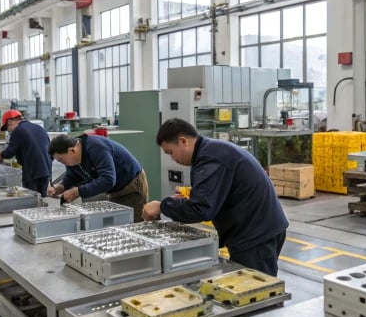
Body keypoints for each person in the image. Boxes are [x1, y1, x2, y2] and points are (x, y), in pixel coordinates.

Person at [142, 118, 289, 276]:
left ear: (183, 141)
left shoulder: (210, 159)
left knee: (256, 288)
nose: (173, 159)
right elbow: (222, 189)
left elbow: (201, 209)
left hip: (255, 234)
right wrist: (191, 194)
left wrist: (162, 206)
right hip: (261, 227)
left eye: (170, 152)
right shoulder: (211, 150)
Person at [48, 134, 148, 222]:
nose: (62, 163)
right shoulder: (72, 157)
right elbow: (72, 175)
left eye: (61, 160)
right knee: (119, 222)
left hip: (130, 184)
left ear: (72, 150)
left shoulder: (96, 147)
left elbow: (108, 180)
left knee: (133, 222)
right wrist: (61, 186)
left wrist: (79, 191)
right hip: (114, 190)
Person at [0, 110, 52, 197]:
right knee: (42, 198)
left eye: (7, 128)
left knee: (31, 198)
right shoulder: (39, 128)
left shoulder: (18, 131)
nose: (8, 131)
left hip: (32, 171)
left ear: (10, 122)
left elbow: (9, 152)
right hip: (46, 169)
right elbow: (50, 150)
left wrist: (0, 156)